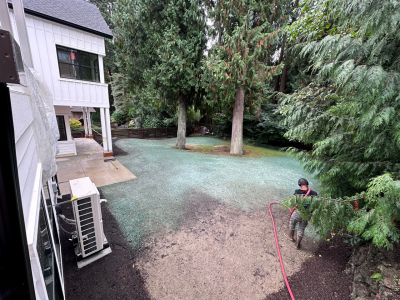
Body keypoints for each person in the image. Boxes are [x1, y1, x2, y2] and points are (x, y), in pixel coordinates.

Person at [284, 178, 318, 249]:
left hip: (299, 212)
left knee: (292, 221)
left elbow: (293, 201)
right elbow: (316, 205)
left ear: (299, 184)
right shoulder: (314, 193)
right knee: (301, 228)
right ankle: (297, 244)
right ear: (307, 184)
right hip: (308, 214)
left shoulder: (297, 192)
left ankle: (291, 235)